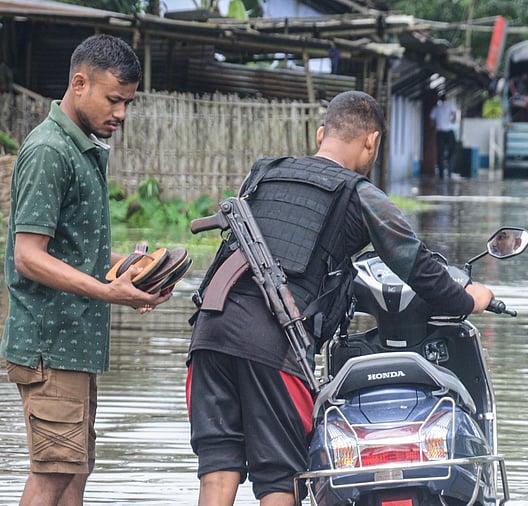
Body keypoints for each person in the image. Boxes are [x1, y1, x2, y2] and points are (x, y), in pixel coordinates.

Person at [186, 90, 494, 506]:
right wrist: (469, 299)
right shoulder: (363, 195)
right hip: (273, 343)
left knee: (218, 466)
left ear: (320, 134)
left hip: (210, 331)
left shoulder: (263, 173)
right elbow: (419, 268)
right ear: (372, 141)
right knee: (281, 477)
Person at [1, 34, 173, 505]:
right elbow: (28, 256)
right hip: (50, 345)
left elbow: (76, 250)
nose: (120, 113)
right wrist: (106, 292)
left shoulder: (81, 149)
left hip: (74, 346)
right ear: (80, 84)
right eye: (114, 100)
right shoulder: (50, 151)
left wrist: (132, 270)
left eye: (127, 103)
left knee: (76, 472)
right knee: (54, 473)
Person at [429, 92, 457, 178]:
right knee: (452, 150)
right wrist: (452, 121)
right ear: (446, 98)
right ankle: (448, 168)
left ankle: (442, 172)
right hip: (449, 131)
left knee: (440, 153)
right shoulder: (450, 106)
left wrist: (435, 125)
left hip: (440, 132)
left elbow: (431, 121)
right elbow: (455, 115)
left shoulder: (436, 108)